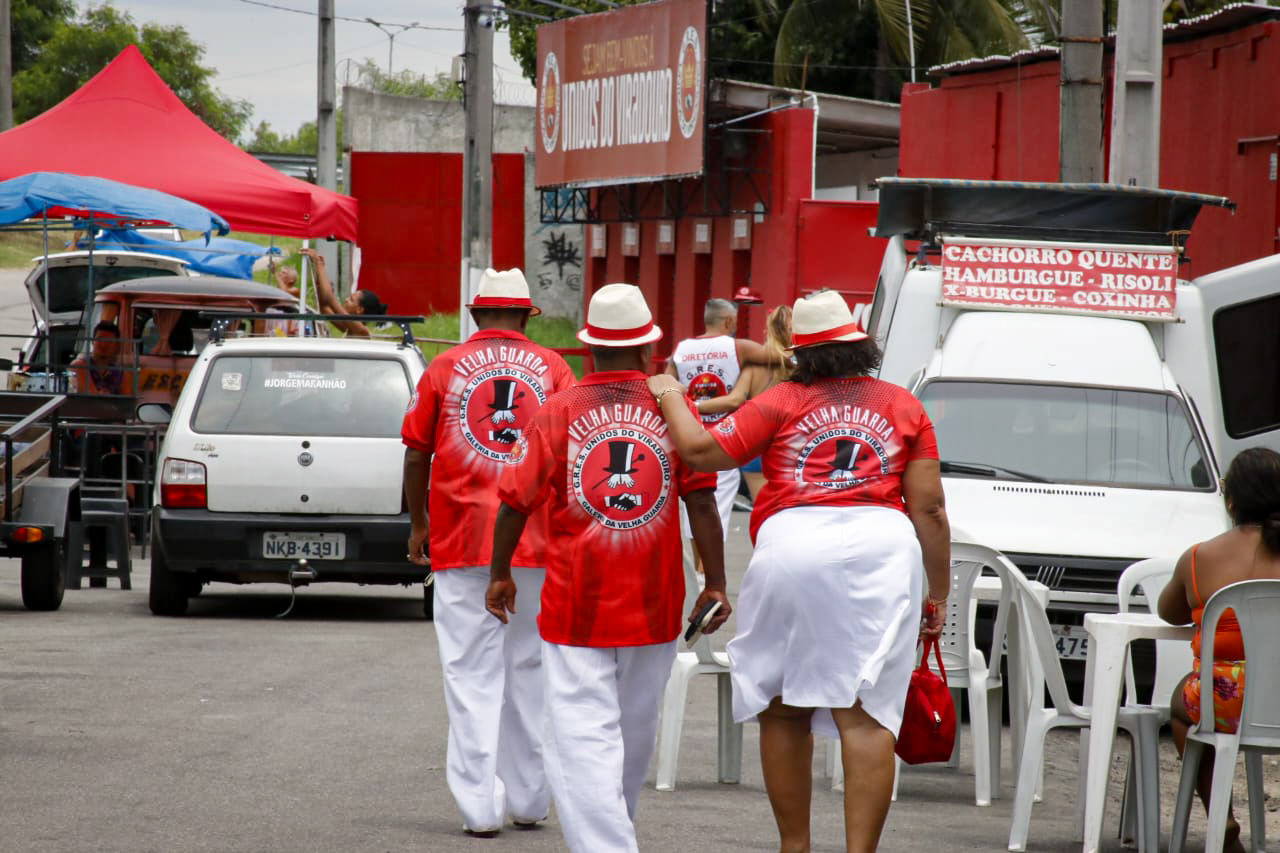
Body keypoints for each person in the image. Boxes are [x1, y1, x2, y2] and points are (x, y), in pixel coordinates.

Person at [647, 289, 950, 853]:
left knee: (782, 709)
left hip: (791, 548)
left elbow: (698, 451)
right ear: (862, 344)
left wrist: (669, 393)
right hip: (882, 552)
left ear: (798, 353)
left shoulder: (781, 399)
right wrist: (938, 592)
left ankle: (795, 847)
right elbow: (929, 508)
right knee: (865, 718)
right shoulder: (903, 405)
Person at [486, 283, 731, 853]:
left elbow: (513, 502)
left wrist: (499, 574)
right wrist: (715, 581)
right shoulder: (674, 408)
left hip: (577, 604)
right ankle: (612, 837)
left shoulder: (557, 411)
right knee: (633, 733)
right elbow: (700, 499)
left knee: (581, 738)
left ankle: (607, 842)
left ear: (589, 348)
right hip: (656, 601)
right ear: (649, 349)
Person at [401, 268, 576, 838]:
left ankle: (480, 808)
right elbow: (576, 456)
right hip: (536, 545)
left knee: (469, 675)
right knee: (529, 672)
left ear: (475, 315)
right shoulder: (553, 369)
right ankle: (529, 799)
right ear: (528, 317)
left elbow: (415, 452)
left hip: (460, 545)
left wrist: (418, 522)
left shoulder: (444, 368)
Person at [1158, 447, 1280, 853]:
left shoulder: (1199, 558)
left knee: (1183, 707)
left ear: (1231, 501)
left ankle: (1222, 821)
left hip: (1227, 701)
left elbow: (1169, 612)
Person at [666, 297, 770, 569]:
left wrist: (692, 406)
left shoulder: (681, 350)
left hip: (689, 437)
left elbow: (667, 388)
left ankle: (698, 570)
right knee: (716, 513)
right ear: (729, 321)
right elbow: (779, 358)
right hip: (725, 440)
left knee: (693, 509)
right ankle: (704, 574)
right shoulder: (738, 347)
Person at [697, 304, 793, 499]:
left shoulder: (754, 365)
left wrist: (691, 406)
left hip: (757, 446)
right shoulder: (802, 365)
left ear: (769, 331)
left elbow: (734, 400)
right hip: (789, 444)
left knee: (762, 509)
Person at [298, 247, 387, 338]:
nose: (346, 299)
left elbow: (330, 299)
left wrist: (319, 263)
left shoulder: (361, 331)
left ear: (359, 309)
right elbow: (324, 307)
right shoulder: (348, 326)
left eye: (351, 300)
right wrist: (318, 272)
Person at [70, 321, 133, 396]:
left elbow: (128, 403)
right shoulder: (79, 365)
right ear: (93, 342)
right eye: (99, 339)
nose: (103, 344)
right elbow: (91, 400)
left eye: (109, 341)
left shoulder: (121, 373)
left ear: (116, 345)